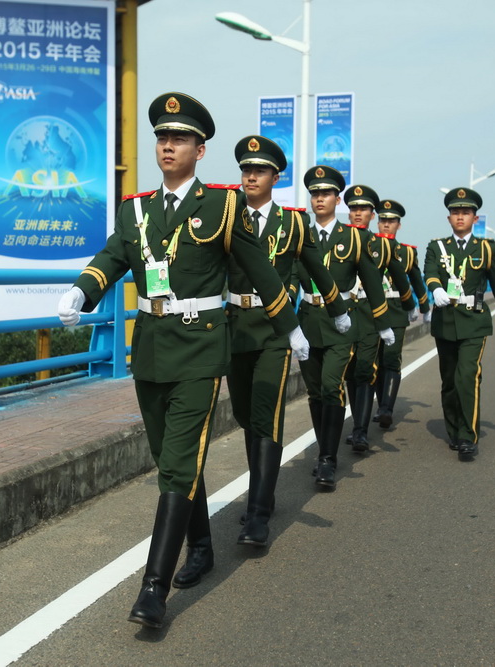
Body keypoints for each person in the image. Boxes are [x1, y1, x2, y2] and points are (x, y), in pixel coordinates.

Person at [57, 92, 310, 629]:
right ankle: (201, 547)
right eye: (162, 138)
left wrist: (290, 326)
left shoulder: (221, 207)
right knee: (173, 459)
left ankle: (153, 587)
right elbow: (112, 256)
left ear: (200, 149)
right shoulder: (135, 210)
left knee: (176, 463)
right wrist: (82, 291)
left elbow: (260, 269)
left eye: (179, 139)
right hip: (150, 347)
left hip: (199, 348)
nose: (167, 145)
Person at [224, 136, 349, 547]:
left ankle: (259, 510)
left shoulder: (292, 223)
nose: (250, 176)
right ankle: (263, 489)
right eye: (245, 169)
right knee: (245, 415)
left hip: (276, 331)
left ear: (276, 177)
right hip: (233, 326)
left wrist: (338, 310)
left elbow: (317, 267)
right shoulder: (226, 216)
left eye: (259, 170)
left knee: (266, 414)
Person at [295, 167, 394, 490]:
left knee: (330, 385)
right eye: (314, 193)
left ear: (338, 200)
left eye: (325, 194)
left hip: (342, 324)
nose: (319, 199)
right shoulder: (300, 234)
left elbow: (372, 282)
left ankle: (327, 458)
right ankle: (324, 448)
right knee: (314, 392)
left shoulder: (353, 238)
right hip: (309, 320)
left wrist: (382, 323)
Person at [423, 187, 495, 462]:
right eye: (455, 213)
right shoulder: (436, 247)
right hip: (445, 320)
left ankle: (468, 436)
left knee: (468, 375)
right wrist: (435, 288)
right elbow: (429, 271)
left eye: (466, 213)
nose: (460, 217)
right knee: (450, 380)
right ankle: (453, 431)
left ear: (475, 218)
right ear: (449, 218)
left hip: (474, 320)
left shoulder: (487, 248)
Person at [342, 186, 412, 453]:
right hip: (344, 315)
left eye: (363, 209)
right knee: (350, 372)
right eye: (353, 208)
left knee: (364, 370)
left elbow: (400, 275)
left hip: (371, 316)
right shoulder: (337, 239)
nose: (358, 213)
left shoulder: (380, 245)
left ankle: (359, 431)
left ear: (372, 214)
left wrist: (409, 304)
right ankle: (357, 423)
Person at [372, 199, 431, 429]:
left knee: (391, 357)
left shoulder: (406, 253)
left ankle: (386, 408)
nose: (386, 225)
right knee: (373, 361)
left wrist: (424, 307)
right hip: (371, 310)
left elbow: (417, 281)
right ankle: (380, 405)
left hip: (396, 310)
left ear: (399, 225)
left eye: (391, 221)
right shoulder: (367, 246)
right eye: (383, 220)